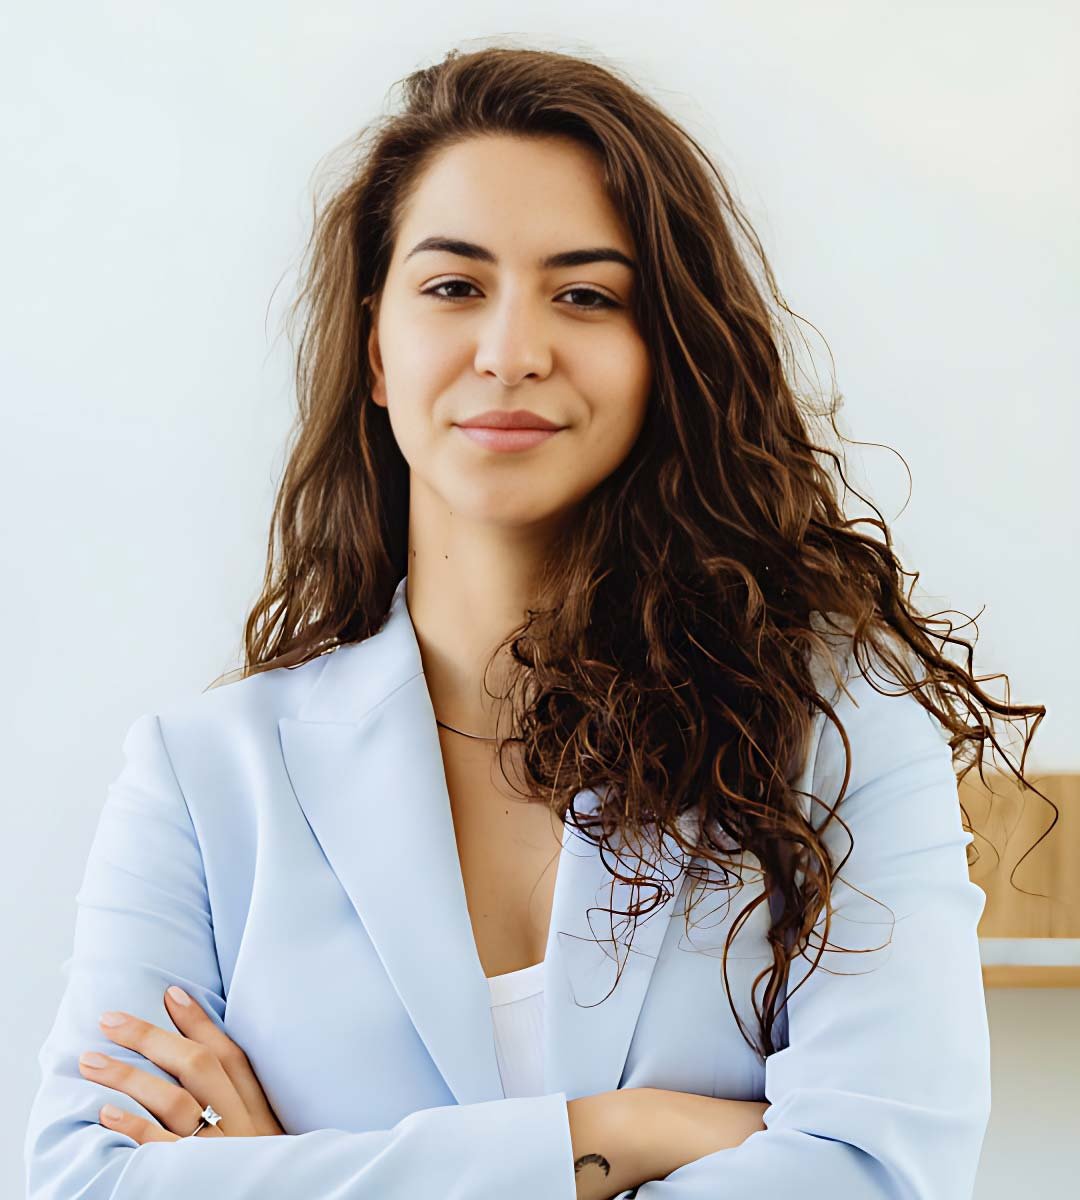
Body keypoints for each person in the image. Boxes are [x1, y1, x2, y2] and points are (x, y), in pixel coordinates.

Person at [24, 42, 1045, 1200]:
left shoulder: (836, 729)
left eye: (587, 294)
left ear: (663, 353)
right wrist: (633, 1130)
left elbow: (877, 1173)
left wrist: (283, 1178)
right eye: (454, 287)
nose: (511, 351)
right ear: (373, 347)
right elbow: (85, 1182)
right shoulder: (203, 777)